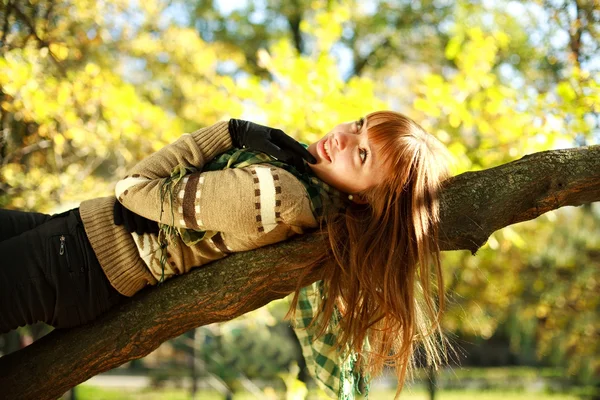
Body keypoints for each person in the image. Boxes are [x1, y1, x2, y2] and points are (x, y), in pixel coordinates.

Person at [0, 110, 450, 398]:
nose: (344, 139)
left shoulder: (280, 195)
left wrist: (230, 131)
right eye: (358, 125)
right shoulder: (301, 184)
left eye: (363, 154)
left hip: (80, 264)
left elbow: (134, 190)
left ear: (365, 201)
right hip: (76, 237)